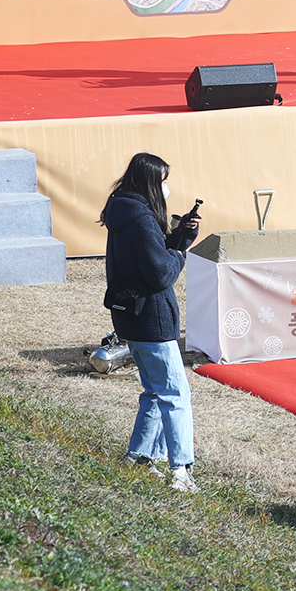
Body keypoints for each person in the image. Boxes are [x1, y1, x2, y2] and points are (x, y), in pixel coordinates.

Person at [99, 152, 202, 494]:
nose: (166, 187)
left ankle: (140, 456)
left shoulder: (123, 211)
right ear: (150, 183)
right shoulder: (142, 220)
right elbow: (159, 273)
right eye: (162, 180)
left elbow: (147, 255)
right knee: (176, 394)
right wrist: (179, 255)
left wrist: (178, 238)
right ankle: (182, 470)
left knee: (155, 392)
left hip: (130, 319)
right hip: (152, 321)